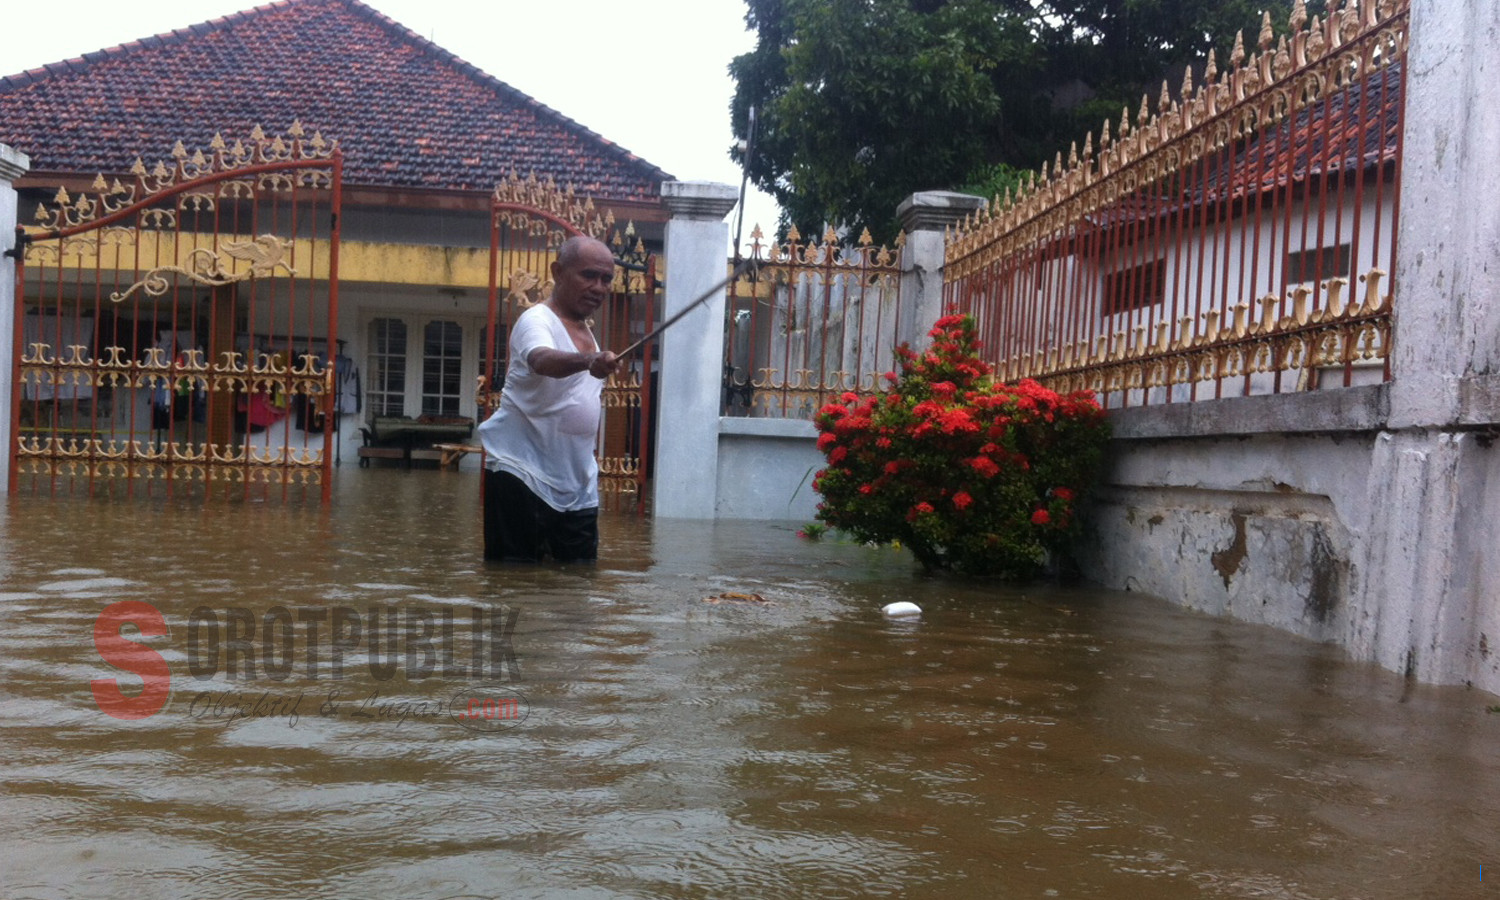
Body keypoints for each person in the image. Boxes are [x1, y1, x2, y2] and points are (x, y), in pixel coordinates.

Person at [479, 236, 624, 562]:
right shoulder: (536, 321)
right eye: (588, 275)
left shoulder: (585, 329)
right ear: (558, 272)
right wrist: (589, 361)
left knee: (578, 587)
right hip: (522, 475)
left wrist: (592, 357)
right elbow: (541, 360)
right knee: (513, 585)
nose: (599, 287)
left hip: (577, 485)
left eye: (606, 279)